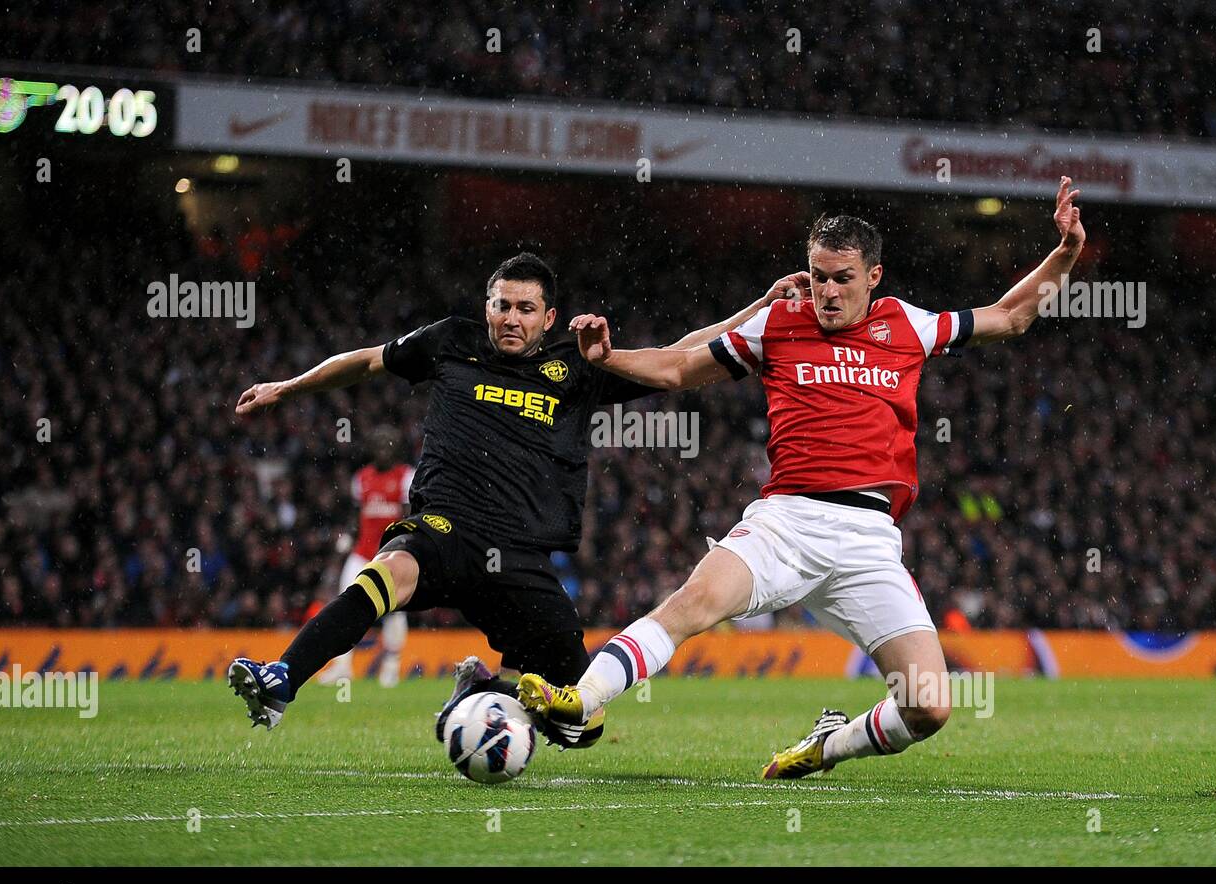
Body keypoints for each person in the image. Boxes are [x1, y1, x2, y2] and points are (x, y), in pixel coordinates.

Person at [518, 177, 1086, 778]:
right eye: (818, 276)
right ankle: (582, 698)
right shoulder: (778, 324)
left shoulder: (908, 325)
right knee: (693, 604)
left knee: (929, 706)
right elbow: (682, 366)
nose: (828, 291)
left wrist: (1066, 253)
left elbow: (1011, 317)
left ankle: (828, 747)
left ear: (874, 276)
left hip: (868, 541)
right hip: (785, 522)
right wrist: (609, 358)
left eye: (843, 277)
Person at [227, 251, 811, 750]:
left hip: (523, 560)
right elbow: (366, 361)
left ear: (548, 316)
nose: (511, 318)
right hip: (444, 529)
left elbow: (677, 356)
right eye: (501, 305)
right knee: (391, 572)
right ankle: (283, 679)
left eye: (525, 308)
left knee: (583, 723)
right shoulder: (449, 341)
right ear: (487, 307)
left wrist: (760, 308)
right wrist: (289, 386)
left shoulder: (577, 368)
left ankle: (485, 694)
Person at [315, 425, 413, 689]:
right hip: (362, 553)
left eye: (388, 445)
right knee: (345, 604)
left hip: (391, 552)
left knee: (394, 609)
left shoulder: (406, 477)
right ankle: (342, 666)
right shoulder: (362, 478)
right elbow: (356, 516)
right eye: (379, 445)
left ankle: (391, 666)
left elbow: (410, 516)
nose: (383, 450)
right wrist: (346, 539)